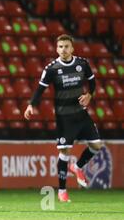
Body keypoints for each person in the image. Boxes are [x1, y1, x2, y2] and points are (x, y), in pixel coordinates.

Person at [24, 34, 102, 202]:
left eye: (66, 46)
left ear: (72, 48)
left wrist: (90, 94)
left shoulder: (82, 64)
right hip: (64, 116)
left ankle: (77, 166)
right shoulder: (51, 68)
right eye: (60, 47)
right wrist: (31, 105)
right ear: (56, 49)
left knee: (97, 145)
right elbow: (40, 89)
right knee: (64, 151)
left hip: (81, 114)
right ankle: (62, 190)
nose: (63, 50)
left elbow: (93, 82)